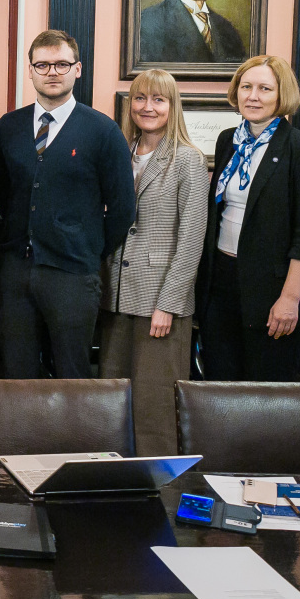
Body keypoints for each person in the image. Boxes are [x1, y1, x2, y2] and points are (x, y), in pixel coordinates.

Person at [0, 30, 136, 379]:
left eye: (61, 64)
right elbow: (3, 193)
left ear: (78, 69)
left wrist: (88, 247)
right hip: (15, 271)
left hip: (73, 274)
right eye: (42, 65)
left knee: (73, 376)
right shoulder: (9, 127)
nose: (52, 72)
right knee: (17, 377)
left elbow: (122, 209)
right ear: (30, 71)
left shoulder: (103, 131)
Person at [97, 69, 208, 454]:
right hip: (116, 296)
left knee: (154, 406)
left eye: (158, 99)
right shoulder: (122, 153)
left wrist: (168, 304)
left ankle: (161, 482)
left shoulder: (188, 160)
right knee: (113, 399)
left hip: (159, 303)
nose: (148, 107)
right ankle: (115, 478)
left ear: (173, 106)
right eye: (140, 98)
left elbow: (191, 237)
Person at [198, 56, 300, 382]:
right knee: (219, 390)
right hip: (221, 285)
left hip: (272, 291)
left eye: (265, 89)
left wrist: (289, 299)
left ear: (282, 94)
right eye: (246, 87)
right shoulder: (228, 140)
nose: (253, 96)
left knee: (265, 396)